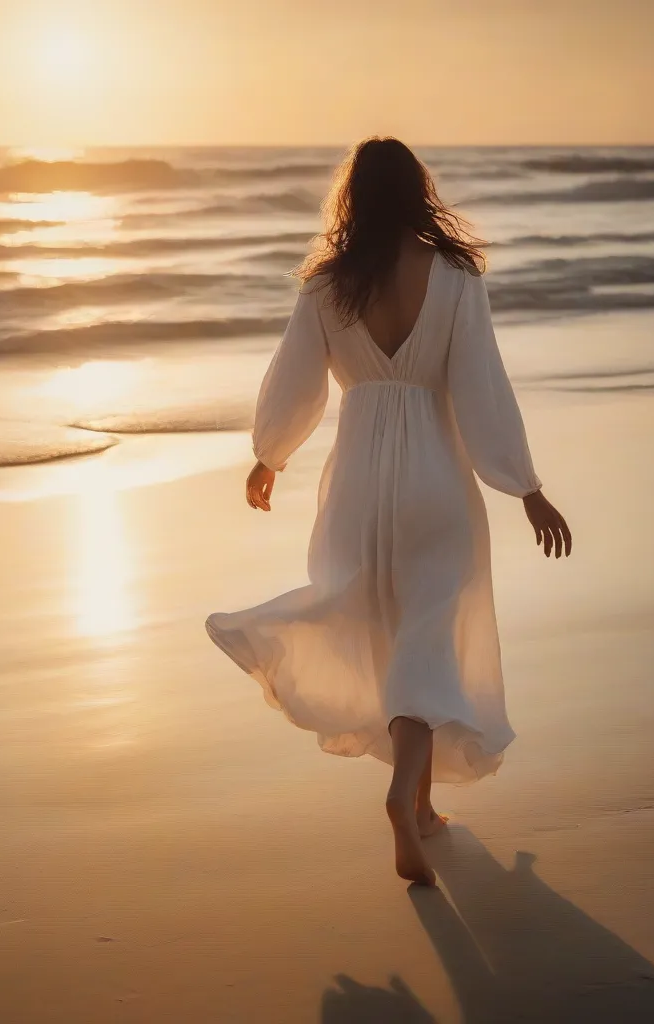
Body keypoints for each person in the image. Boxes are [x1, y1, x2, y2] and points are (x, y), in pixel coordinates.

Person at [206, 137, 571, 886]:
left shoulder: (325, 287)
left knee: (383, 628)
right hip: (436, 478)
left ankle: (422, 805)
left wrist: (269, 455)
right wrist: (525, 485)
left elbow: (296, 387)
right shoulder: (457, 279)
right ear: (417, 193)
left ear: (353, 198)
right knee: (427, 639)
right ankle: (409, 796)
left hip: (360, 481)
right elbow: (481, 391)